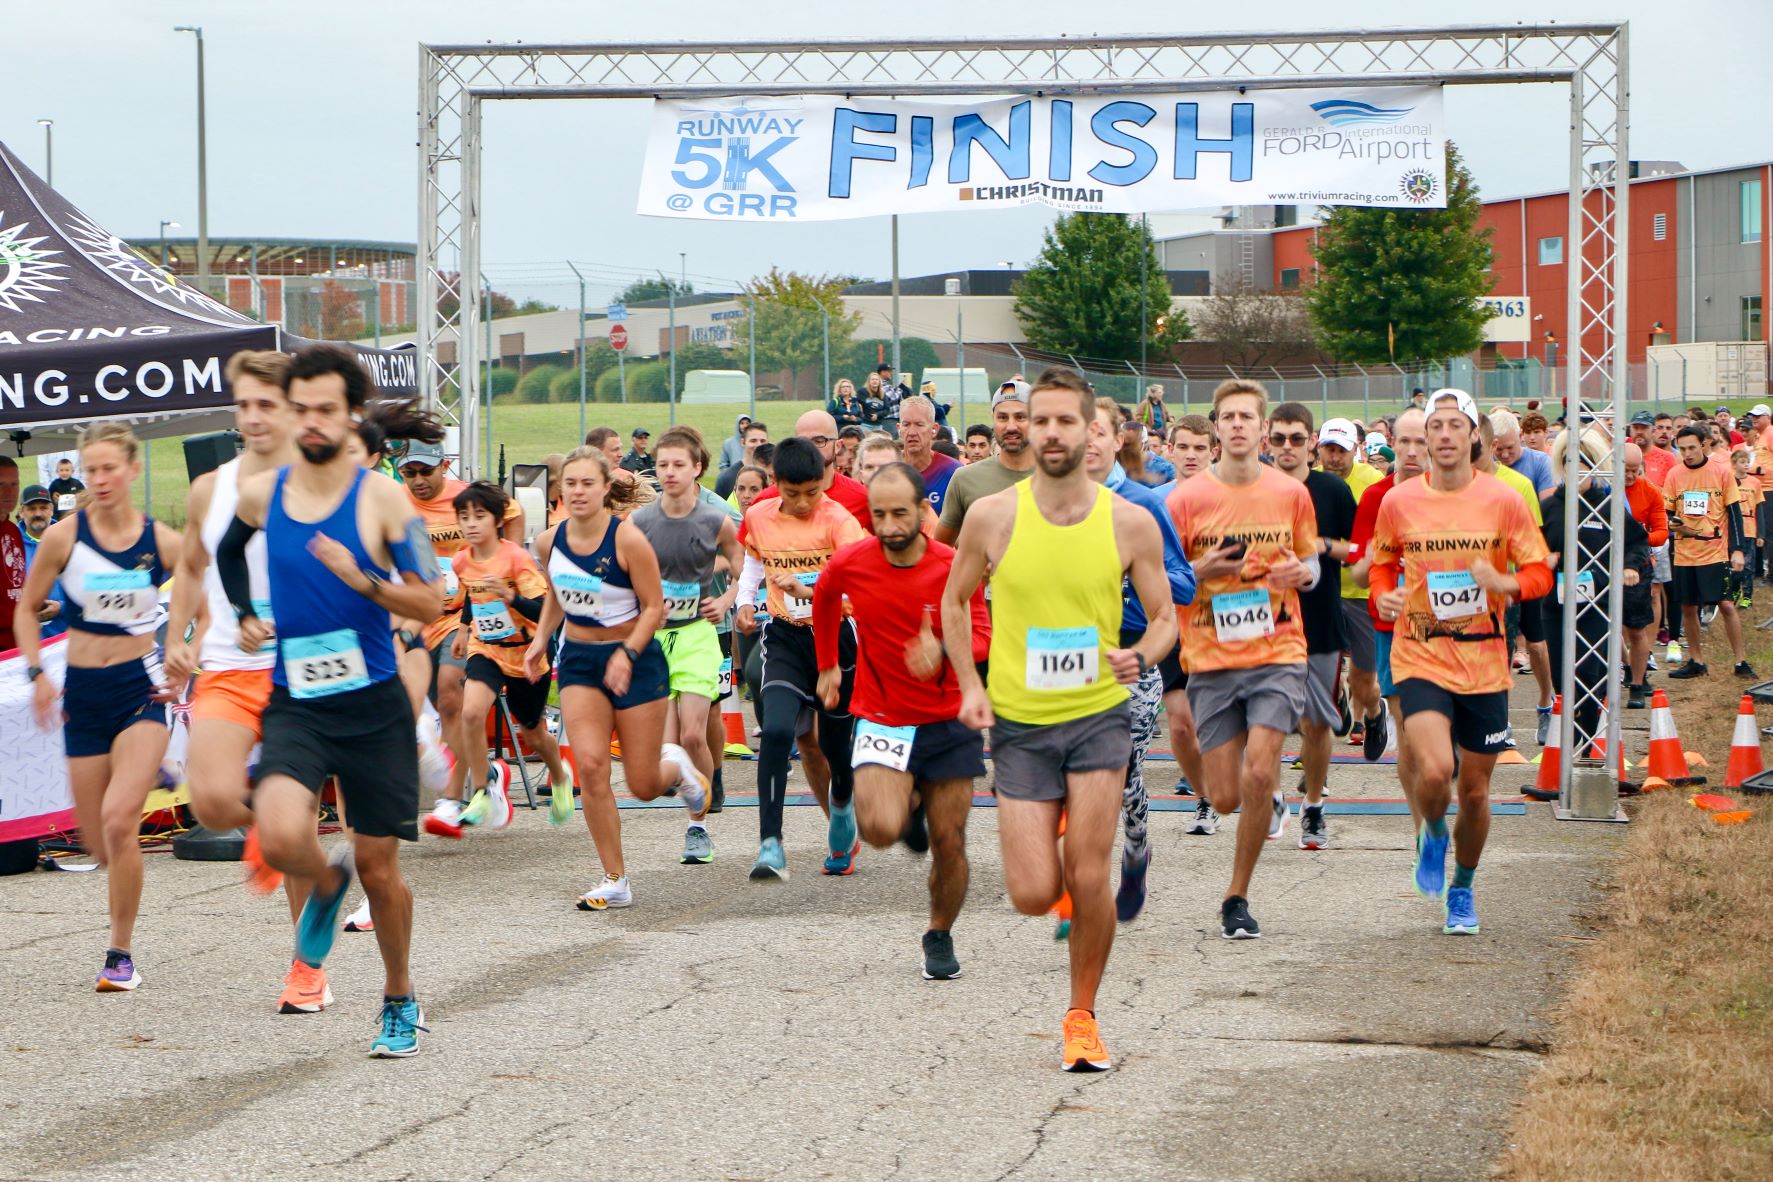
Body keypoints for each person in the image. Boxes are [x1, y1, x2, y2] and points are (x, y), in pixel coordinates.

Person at [940, 367, 1174, 1072]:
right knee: (1032, 891)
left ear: (1091, 430)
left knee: (1089, 871)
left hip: (1098, 717)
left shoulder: (1128, 521)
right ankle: (1066, 848)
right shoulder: (992, 517)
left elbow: (1165, 616)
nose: (1047, 432)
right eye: (1036, 420)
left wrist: (1139, 654)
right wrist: (968, 686)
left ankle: (1081, 1017)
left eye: (1063, 421)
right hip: (1017, 722)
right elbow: (953, 605)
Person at [212, 345, 443, 1055]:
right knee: (282, 835)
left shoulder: (379, 497)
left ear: (349, 417)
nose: (310, 422)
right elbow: (228, 550)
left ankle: (399, 997)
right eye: (299, 409)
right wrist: (247, 610)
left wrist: (364, 576)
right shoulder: (264, 491)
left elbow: (430, 596)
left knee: (380, 868)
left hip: (371, 705)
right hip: (298, 702)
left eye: (324, 410)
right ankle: (324, 877)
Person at [162, 350, 334, 1013]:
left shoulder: (321, 482)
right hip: (230, 665)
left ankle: (306, 968)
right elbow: (192, 565)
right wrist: (179, 636)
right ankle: (269, 831)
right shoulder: (212, 487)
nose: (254, 417)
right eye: (243, 405)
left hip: (302, 671)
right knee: (208, 802)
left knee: (297, 836)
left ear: (293, 409)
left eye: (267, 404)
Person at [1371, 388, 1553, 936]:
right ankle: (1430, 830)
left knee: (1474, 793)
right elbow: (1382, 564)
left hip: (1484, 662)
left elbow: (1540, 571)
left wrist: (1509, 583)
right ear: (1423, 438)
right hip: (1420, 652)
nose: (1446, 434)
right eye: (1436, 425)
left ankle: (1463, 888)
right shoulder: (1399, 501)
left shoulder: (1504, 500)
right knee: (1434, 770)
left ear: (1475, 436)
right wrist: (1384, 594)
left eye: (1457, 425)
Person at [16, 424, 181, 993]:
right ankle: (148, 772)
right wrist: (37, 672)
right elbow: (26, 608)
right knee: (96, 837)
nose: (101, 479)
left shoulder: (160, 539)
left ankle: (121, 953)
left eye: (111, 467)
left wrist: (182, 641)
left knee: (119, 821)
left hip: (140, 686)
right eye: (92, 469)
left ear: (133, 470)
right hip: (82, 692)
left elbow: (205, 586)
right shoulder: (65, 537)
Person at [814, 462, 989, 978]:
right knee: (880, 829)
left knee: (950, 840)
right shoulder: (852, 561)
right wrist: (827, 664)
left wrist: (942, 645)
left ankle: (939, 932)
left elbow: (983, 633)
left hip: (947, 717)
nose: (888, 526)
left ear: (922, 510)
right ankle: (907, 808)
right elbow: (824, 597)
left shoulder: (952, 564)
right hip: (884, 716)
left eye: (899, 513)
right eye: (878, 515)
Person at [1166, 380, 1321, 940]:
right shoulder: (1182, 501)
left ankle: (1237, 895)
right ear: (1215, 428)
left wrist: (1303, 574)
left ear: (1261, 428)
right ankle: (1252, 795)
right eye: (1226, 416)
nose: (1236, 425)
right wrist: (1199, 573)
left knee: (1260, 769)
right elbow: (1159, 578)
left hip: (1278, 650)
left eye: (1246, 417)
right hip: (1209, 656)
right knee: (1226, 796)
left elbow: (1310, 559)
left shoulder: (1288, 493)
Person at [528, 447, 709, 910]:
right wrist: (539, 641)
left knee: (645, 785)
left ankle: (679, 769)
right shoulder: (549, 542)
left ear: (606, 487)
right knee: (590, 767)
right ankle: (615, 879)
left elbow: (654, 607)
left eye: (588, 483)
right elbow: (557, 592)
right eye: (570, 484)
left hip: (637, 658)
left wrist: (627, 653)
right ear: (560, 490)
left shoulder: (628, 540)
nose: (579, 492)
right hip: (581, 663)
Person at [735, 437, 868, 880]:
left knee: (834, 745)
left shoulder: (839, 521)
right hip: (785, 636)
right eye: (793, 494)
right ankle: (771, 843)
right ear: (776, 485)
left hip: (835, 638)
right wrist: (745, 600)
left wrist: (810, 591)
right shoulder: (758, 515)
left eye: (813, 492)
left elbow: (856, 589)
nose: (805, 502)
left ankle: (843, 807)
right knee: (774, 732)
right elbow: (755, 560)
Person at [1083, 399, 1195, 921]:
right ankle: (1079, 884)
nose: (1085, 441)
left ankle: (1135, 846)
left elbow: (1184, 585)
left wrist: (1130, 573)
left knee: (1123, 765)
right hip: (1070, 656)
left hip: (1133, 654)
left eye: (1097, 432)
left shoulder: (1142, 504)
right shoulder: (1044, 504)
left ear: (1117, 438)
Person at [629, 427, 745, 866]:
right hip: (656, 639)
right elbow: (624, 576)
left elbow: (742, 562)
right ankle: (695, 792)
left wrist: (728, 599)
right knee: (668, 749)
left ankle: (698, 828)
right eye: (662, 465)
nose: (670, 472)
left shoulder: (715, 519)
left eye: (679, 464)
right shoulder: (640, 523)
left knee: (695, 731)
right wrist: (643, 609)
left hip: (697, 633)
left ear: (697, 468)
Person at [402, 438, 524, 839]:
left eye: (426, 471)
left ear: (445, 465)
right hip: (415, 614)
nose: (418, 481)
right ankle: (485, 773)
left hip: (462, 614)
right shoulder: (393, 501)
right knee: (414, 702)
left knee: (451, 696)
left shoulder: (467, 500)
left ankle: (450, 801)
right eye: (410, 473)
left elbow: (514, 511)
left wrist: (510, 560)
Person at [448, 480, 573, 824]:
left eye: (479, 515)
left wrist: (510, 596)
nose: (471, 523)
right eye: (464, 516)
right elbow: (473, 596)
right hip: (485, 649)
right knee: (471, 714)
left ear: (498, 520)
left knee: (533, 733)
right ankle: (482, 789)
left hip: (526, 654)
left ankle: (560, 776)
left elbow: (545, 609)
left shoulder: (516, 559)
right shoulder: (461, 561)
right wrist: (462, 629)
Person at [1268, 404, 1356, 851]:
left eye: (1297, 439)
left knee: (1316, 722)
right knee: (1259, 719)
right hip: (1262, 620)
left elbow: (1359, 551)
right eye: (1280, 438)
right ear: (1268, 440)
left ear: (1312, 442)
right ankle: (1272, 795)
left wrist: (1321, 545)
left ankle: (1315, 805)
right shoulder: (1254, 490)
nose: (1287, 447)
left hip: (1318, 618)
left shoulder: (1332, 491)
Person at [1316, 417, 1386, 760]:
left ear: (1355, 450)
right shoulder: (1306, 482)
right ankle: (1335, 701)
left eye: (1341, 451)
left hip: (1361, 593)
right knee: (1314, 667)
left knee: (1362, 676)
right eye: (1328, 450)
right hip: (1321, 590)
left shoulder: (1372, 483)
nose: (1334, 458)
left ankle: (1373, 714)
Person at [1665, 425, 1752, 679]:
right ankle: (1696, 660)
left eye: (1692, 447)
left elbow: (1734, 513)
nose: (1687, 453)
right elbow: (1668, 512)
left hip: (1715, 552)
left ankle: (1740, 662)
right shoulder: (1674, 475)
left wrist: (1737, 549)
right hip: (1685, 553)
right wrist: (1673, 524)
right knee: (1688, 607)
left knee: (1725, 604)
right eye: (1682, 449)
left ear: (1703, 445)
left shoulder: (1721, 473)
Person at [936, 381, 1033, 544]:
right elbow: (940, 551)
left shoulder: (1059, 480)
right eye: (1002, 417)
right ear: (993, 420)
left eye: (1020, 417)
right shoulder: (964, 479)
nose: (1011, 426)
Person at [746, 409, 871, 530]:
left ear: (838, 446)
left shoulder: (862, 499)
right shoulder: (767, 500)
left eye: (819, 441)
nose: (810, 448)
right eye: (803, 442)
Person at [1621, 443, 1668, 708]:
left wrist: (1639, 538)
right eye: (1624, 470)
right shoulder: (1604, 490)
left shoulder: (1650, 491)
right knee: (1610, 628)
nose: (1629, 476)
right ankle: (1628, 666)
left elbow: (1662, 531)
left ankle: (1637, 685)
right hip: (1605, 563)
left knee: (1637, 629)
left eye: (1634, 471)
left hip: (1638, 565)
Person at [897, 395, 964, 518]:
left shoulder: (953, 472)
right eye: (906, 425)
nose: (912, 432)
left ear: (934, 429)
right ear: (899, 429)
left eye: (919, 424)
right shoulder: (887, 469)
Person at [16, 482, 65, 639]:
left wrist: (62, 608)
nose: (38, 513)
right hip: (25, 642)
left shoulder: (70, 540)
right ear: (22, 512)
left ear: (51, 510)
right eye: (31, 509)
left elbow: (85, 592)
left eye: (43, 508)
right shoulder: (10, 544)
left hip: (65, 639)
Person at [0, 459, 28, 650]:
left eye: (14, 484)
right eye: (0, 484)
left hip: (18, 643)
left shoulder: (14, 531)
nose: (9, 492)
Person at [715, 421, 769, 499]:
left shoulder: (774, 476)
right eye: (753, 441)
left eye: (763, 441)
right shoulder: (727, 478)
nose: (759, 445)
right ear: (743, 442)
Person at [48, 456, 85, 521]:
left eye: (67, 470)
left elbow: (84, 495)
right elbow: (48, 497)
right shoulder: (55, 484)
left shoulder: (77, 483)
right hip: (58, 515)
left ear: (72, 471)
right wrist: (53, 498)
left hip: (74, 514)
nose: (64, 473)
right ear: (57, 471)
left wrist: (78, 498)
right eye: (61, 470)